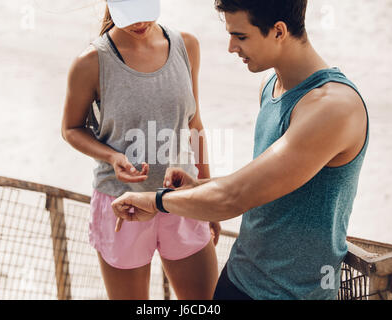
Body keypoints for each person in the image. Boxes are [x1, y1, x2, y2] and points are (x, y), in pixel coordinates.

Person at [111, 0, 369, 300]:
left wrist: (155, 201)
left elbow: (234, 197)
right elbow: (261, 184)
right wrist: (199, 187)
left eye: (241, 36)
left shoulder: (334, 108)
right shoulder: (271, 85)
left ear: (278, 32)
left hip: (291, 294)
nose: (231, 47)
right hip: (237, 277)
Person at [61, 0, 220, 300]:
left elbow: (194, 125)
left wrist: (207, 192)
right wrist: (112, 156)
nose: (139, 23)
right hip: (123, 206)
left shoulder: (187, 45)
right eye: (130, 14)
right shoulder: (90, 62)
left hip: (182, 199)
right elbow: (70, 128)